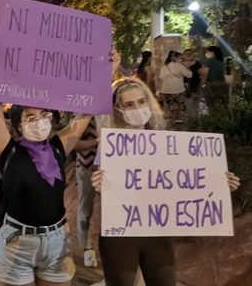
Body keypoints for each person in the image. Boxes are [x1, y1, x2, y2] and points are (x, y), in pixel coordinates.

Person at [0, 30, 120, 286]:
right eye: (31, 118)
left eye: (45, 115)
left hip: (56, 241)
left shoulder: (58, 147)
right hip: (17, 243)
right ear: (19, 125)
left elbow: (84, 115)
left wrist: (106, 74)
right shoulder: (8, 151)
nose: (40, 122)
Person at [90, 77, 241, 286]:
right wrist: (100, 186)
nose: (138, 108)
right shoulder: (109, 146)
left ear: (149, 103)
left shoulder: (167, 143)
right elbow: (107, 191)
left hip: (157, 233)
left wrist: (218, 183)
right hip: (120, 235)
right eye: (129, 104)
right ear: (118, 109)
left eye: (142, 102)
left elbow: (185, 181)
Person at [73, 117, 99, 268]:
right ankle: (87, 249)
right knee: (85, 211)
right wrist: (97, 141)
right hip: (86, 167)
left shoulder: (115, 109)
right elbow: (72, 143)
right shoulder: (83, 111)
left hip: (111, 167)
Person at [158, 50, 192, 128]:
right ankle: (180, 124)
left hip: (166, 91)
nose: (181, 60)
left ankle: (170, 124)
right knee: (181, 108)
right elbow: (189, 75)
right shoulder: (179, 66)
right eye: (180, 58)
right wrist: (186, 66)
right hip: (178, 91)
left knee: (170, 108)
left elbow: (161, 79)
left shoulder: (164, 67)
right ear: (175, 58)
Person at [182, 49, 203, 118]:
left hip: (196, 84)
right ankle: (189, 118)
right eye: (186, 54)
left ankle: (195, 119)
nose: (188, 55)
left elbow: (202, 73)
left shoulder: (197, 63)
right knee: (187, 103)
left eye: (190, 54)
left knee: (196, 103)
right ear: (183, 55)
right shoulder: (180, 64)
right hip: (184, 86)